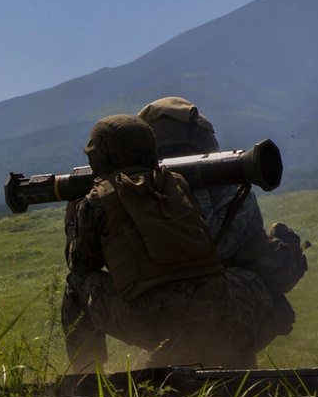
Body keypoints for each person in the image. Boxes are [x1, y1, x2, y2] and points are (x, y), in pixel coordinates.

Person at [61, 114, 277, 374]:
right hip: (214, 312)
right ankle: (232, 360)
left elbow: (82, 264)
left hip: (151, 322)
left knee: (75, 285)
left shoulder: (97, 200)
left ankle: (87, 376)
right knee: (248, 279)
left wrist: (72, 224)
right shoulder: (177, 184)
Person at [136, 96, 308, 350]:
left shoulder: (235, 193)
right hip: (179, 310)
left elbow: (212, 250)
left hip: (233, 303)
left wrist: (194, 182)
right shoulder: (145, 192)